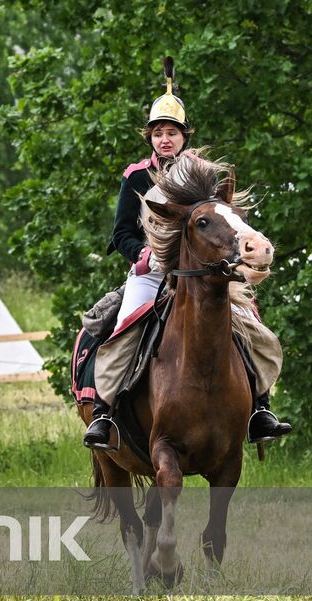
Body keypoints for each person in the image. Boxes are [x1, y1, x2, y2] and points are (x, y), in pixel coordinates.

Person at [84, 59, 291, 449]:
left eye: (172, 133)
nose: (165, 139)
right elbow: (121, 234)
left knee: (249, 320)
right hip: (151, 273)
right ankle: (104, 413)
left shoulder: (202, 172)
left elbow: (223, 218)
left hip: (204, 271)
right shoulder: (136, 175)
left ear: (184, 136)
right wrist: (144, 254)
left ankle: (261, 409)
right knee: (123, 327)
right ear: (150, 137)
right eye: (158, 133)